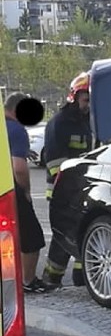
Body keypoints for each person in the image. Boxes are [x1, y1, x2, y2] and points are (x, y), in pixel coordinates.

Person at [41, 72, 93, 288]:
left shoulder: (91, 121)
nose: (88, 104)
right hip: (63, 188)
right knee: (63, 234)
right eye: (85, 99)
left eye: (91, 100)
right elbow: (54, 161)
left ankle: (82, 278)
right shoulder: (59, 123)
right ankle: (51, 277)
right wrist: (71, 183)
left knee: (85, 230)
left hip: (86, 187)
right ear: (74, 97)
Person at [4, 92, 50, 293]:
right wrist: (26, 191)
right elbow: (19, 168)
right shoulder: (16, 130)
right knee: (32, 238)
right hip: (11, 189)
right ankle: (28, 282)